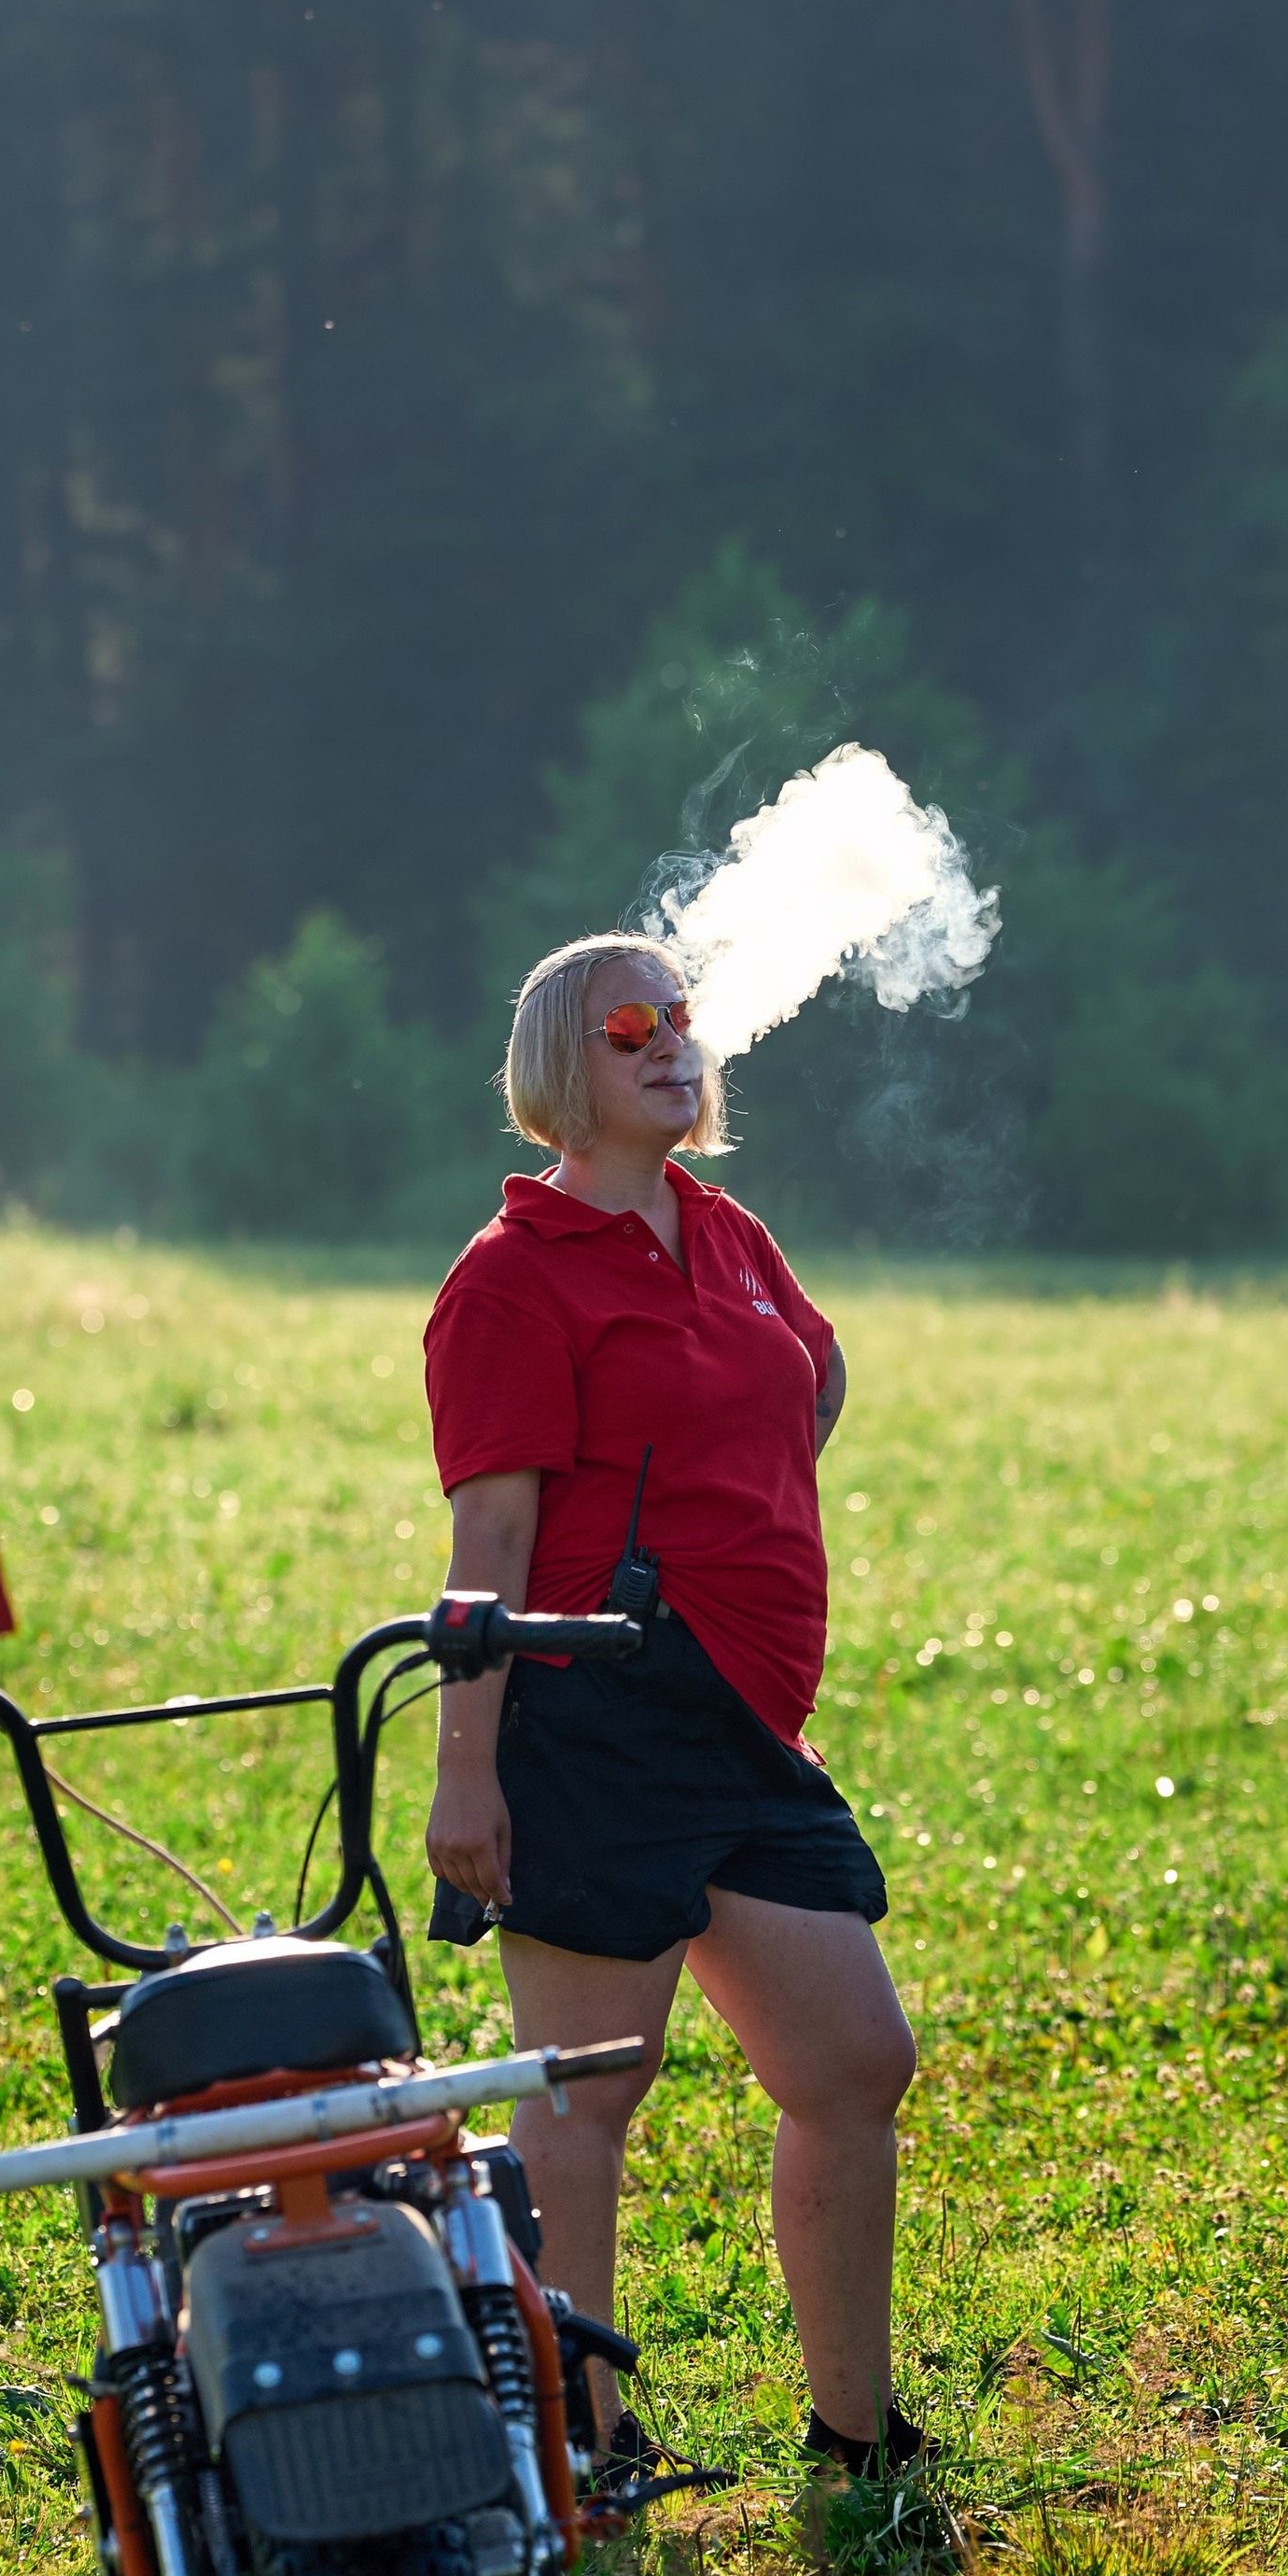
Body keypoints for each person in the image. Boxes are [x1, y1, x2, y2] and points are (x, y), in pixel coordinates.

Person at [422, 932, 924, 2485]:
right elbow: (488, 1549)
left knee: (854, 2061)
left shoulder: (729, 1232)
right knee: (588, 2096)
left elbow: (814, 1383)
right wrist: (469, 1776)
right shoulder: (510, 1283)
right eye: (629, 1023)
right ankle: (581, 2449)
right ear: (560, 1072)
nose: (670, 1041)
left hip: (745, 1726)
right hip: (596, 1710)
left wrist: (737, 1512)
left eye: (682, 1018)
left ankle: (854, 2437)